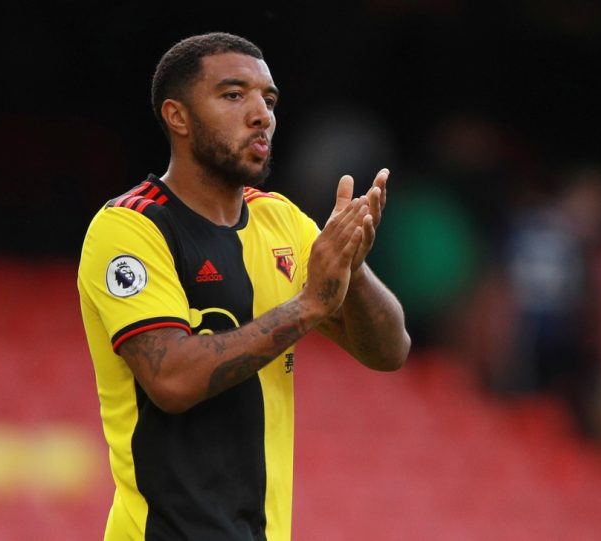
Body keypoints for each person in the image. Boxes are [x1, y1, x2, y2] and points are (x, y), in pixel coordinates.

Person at [77, 32, 410, 541]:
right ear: (178, 116)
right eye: (234, 95)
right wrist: (308, 306)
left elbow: (389, 351)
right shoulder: (131, 226)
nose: (261, 116)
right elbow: (170, 380)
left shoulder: (281, 221)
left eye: (269, 100)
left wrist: (353, 266)